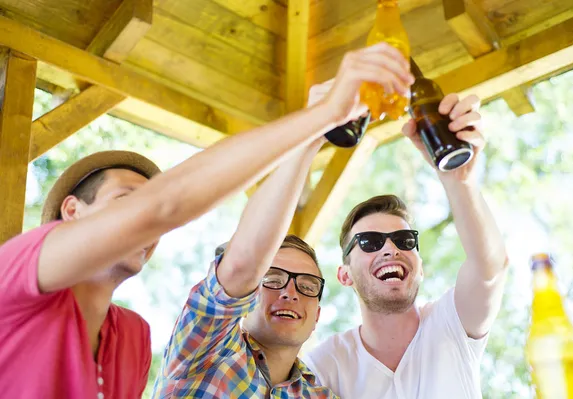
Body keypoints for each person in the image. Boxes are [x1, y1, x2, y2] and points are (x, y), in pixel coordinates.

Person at [0, 42, 414, 399]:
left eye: (306, 286)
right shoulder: (17, 270)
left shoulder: (131, 338)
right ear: (71, 211)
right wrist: (322, 115)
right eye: (126, 201)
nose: (147, 224)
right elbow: (173, 213)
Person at [151, 43, 416, 398]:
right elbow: (243, 263)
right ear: (247, 296)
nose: (290, 292)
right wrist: (318, 124)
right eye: (273, 278)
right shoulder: (205, 351)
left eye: (307, 285)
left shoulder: (319, 394)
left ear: (318, 314)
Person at [303, 91, 509, 398]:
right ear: (344, 275)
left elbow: (489, 267)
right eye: (369, 242)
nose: (390, 249)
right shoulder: (324, 365)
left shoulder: (453, 323)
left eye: (404, 240)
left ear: (420, 267)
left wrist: (459, 181)